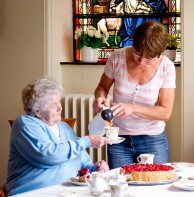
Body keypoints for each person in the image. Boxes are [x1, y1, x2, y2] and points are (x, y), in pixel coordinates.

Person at [6, 76, 111, 196]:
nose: (60, 108)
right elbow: (49, 155)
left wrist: (95, 169)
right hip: (31, 193)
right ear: (37, 111)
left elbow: (82, 163)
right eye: (53, 105)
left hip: (64, 193)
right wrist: (86, 141)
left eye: (59, 102)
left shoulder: (64, 127)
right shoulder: (25, 124)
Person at [93, 20, 176, 169]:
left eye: (148, 58)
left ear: (160, 54)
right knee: (120, 186)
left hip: (153, 140)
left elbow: (165, 112)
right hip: (118, 138)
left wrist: (133, 108)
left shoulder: (167, 67)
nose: (141, 61)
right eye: (137, 53)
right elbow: (102, 87)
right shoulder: (117, 57)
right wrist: (100, 97)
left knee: (154, 188)